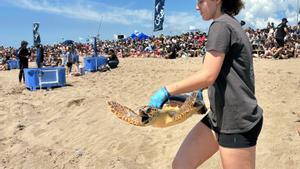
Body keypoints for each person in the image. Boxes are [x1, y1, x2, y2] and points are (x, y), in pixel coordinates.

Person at [148, 0, 263, 169]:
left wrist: (166, 90)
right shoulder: (229, 23)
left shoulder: (221, 26)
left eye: (201, 1)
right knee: (181, 164)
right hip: (219, 116)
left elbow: (208, 75)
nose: (196, 6)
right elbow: (225, 72)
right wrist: (197, 96)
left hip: (236, 121)